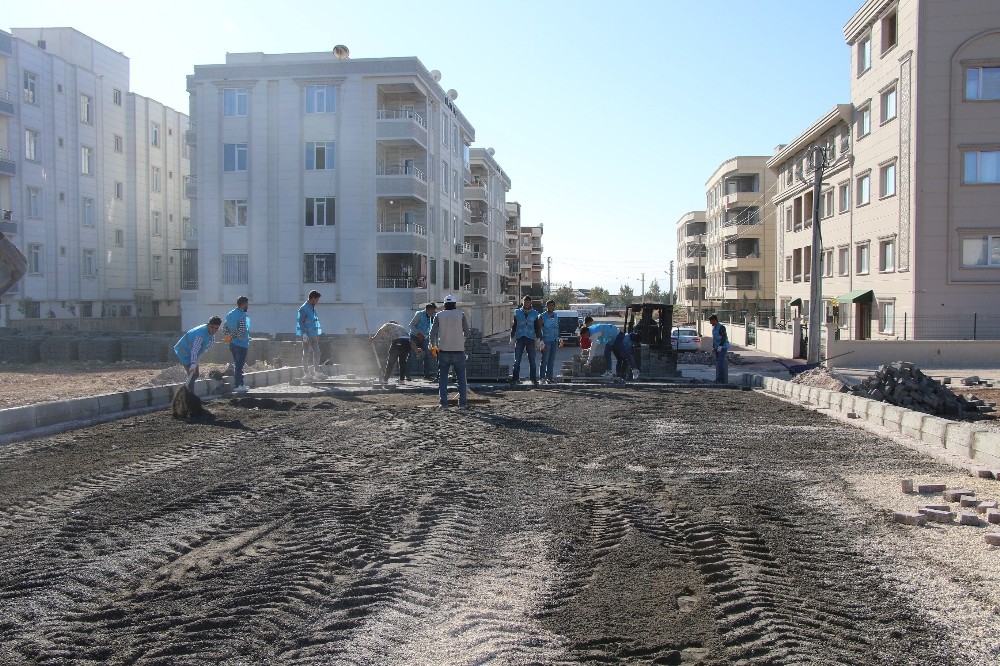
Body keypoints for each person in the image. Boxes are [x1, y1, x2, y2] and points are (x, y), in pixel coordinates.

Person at [430, 294, 470, 409]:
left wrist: (432, 345)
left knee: (443, 379)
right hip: (459, 351)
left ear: (444, 305)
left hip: (443, 351)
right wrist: (462, 339)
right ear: (455, 304)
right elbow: (467, 333)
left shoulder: (439, 315)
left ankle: (444, 404)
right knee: (461, 379)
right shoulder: (461, 315)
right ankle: (462, 404)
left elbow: (432, 333)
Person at [173, 316, 222, 391]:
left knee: (196, 374)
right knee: (192, 375)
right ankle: (190, 396)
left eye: (216, 328)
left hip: (192, 352)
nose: (214, 330)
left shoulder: (209, 332)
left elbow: (212, 339)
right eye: (212, 327)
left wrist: (207, 348)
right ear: (208, 325)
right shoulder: (200, 334)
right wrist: (193, 364)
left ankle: (186, 390)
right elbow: (194, 350)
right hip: (184, 351)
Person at [510, 294, 542, 386]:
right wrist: (512, 337)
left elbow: (537, 327)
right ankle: (515, 379)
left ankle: (533, 379)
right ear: (522, 302)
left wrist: (539, 338)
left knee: (532, 360)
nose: (527, 303)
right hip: (520, 338)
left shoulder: (535, 313)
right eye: (525, 302)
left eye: (528, 302)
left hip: (530, 338)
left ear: (530, 302)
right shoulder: (517, 312)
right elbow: (514, 325)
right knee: (517, 360)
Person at [221, 296, 251, 393]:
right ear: (243, 304)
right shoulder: (243, 316)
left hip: (232, 344)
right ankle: (238, 385)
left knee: (237, 365)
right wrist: (234, 336)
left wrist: (228, 339)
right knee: (239, 366)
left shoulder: (229, 314)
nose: (248, 305)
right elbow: (242, 331)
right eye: (247, 303)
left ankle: (241, 384)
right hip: (241, 344)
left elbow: (224, 329)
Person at [297, 290, 325, 380]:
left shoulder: (312, 308)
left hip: (313, 335)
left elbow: (314, 322)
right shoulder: (304, 308)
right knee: (306, 354)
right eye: (317, 299)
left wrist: (317, 333)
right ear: (312, 298)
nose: (317, 301)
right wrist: (304, 334)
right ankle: (306, 373)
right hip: (307, 336)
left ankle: (317, 372)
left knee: (317, 352)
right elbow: (301, 322)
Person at [409, 302, 437, 379]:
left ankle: (427, 375)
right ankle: (406, 375)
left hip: (424, 337)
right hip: (414, 336)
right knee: (410, 355)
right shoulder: (419, 315)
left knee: (426, 355)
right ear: (428, 310)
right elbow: (411, 325)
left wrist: (432, 342)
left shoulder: (433, 316)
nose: (433, 313)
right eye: (432, 311)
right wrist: (418, 333)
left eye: (434, 311)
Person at [539, 300, 561, 384]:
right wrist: (541, 341)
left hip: (554, 340)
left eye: (552, 305)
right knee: (544, 360)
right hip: (546, 340)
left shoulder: (556, 315)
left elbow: (557, 327)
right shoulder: (542, 316)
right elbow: (540, 329)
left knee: (551, 360)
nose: (551, 307)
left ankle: (549, 377)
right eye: (549, 305)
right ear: (546, 306)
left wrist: (559, 338)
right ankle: (542, 378)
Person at [709, 314, 729, 384]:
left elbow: (724, 337)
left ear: (715, 320)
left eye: (711, 321)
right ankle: (718, 379)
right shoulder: (714, 328)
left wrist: (720, 346)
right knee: (718, 363)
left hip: (723, 347)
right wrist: (714, 348)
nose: (710, 323)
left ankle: (722, 380)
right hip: (717, 348)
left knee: (720, 363)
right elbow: (715, 339)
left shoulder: (721, 327)